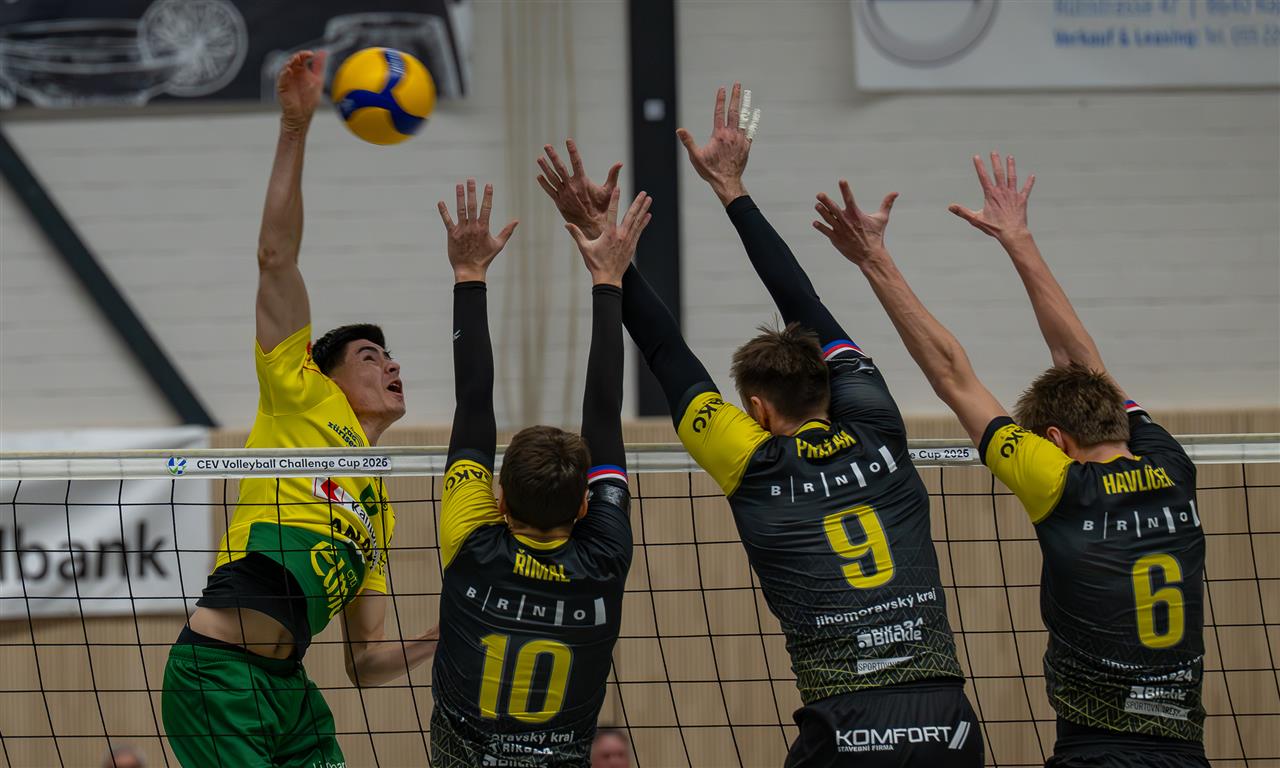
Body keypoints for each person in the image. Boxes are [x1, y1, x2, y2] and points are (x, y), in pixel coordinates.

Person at [538, 87, 981, 767]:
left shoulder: (753, 462)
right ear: (831, 380)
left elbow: (664, 351)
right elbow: (805, 300)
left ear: (757, 412)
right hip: (947, 720)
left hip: (847, 726)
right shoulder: (877, 423)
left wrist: (604, 247)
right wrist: (732, 188)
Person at [818, 153, 1206, 767]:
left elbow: (952, 376)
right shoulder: (1172, 466)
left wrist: (873, 260)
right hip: (1185, 753)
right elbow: (1083, 364)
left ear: (1053, 440)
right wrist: (1019, 239)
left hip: (1096, 754)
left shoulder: (1060, 482)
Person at [161, 51, 438, 768]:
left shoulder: (379, 507)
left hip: (291, 692)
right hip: (219, 676)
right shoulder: (299, 392)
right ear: (325, 372)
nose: (392, 365)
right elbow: (275, 257)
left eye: (392, 356)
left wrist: (446, 634)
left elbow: (366, 663)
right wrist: (294, 127)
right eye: (371, 357)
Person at [429, 176, 650, 766]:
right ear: (583, 506)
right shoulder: (603, 556)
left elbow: (472, 407)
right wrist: (608, 279)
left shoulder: (472, 544)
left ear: (499, 501)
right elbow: (604, 416)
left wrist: (468, 274)